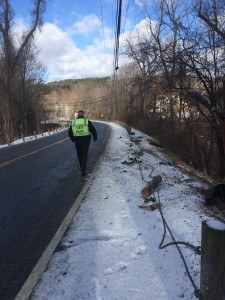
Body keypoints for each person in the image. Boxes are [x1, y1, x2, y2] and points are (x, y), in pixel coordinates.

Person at [68, 110, 97, 176]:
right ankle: (83, 169)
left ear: (78, 115)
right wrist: (95, 138)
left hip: (77, 140)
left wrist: (72, 139)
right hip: (85, 140)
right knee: (84, 154)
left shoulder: (74, 122)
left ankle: (82, 166)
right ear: (83, 115)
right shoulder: (86, 121)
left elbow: (70, 132)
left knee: (79, 154)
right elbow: (93, 130)